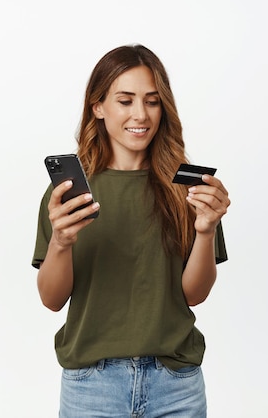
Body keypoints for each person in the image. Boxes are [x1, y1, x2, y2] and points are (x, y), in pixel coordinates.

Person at [32, 44, 230, 418]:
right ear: (99, 107)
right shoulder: (69, 194)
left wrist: (205, 231)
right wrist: (60, 242)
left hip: (176, 385)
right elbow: (52, 299)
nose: (141, 114)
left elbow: (194, 294)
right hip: (92, 387)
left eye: (152, 101)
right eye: (125, 101)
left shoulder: (187, 189)